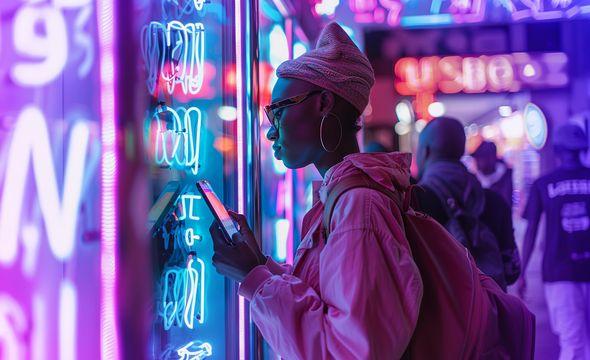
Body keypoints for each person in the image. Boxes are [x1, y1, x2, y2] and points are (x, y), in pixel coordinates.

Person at [208, 23, 423, 358]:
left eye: (278, 111)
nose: (270, 132)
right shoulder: (344, 198)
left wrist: (255, 278)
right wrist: (260, 265)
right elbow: (328, 300)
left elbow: (347, 351)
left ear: (323, 103)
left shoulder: (358, 207)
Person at [412, 117, 518, 290]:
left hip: (437, 315)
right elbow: (512, 271)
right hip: (488, 314)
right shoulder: (495, 202)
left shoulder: (413, 202)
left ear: (426, 152)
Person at [519, 123, 590, 360]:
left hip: (559, 273)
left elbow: (531, 231)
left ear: (557, 149)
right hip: (568, 272)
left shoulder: (543, 184)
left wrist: (522, 273)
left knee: (573, 342)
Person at [472, 140, 514, 207]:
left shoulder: (507, 178)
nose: (477, 161)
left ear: (491, 158)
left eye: (480, 158)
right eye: (476, 157)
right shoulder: (474, 179)